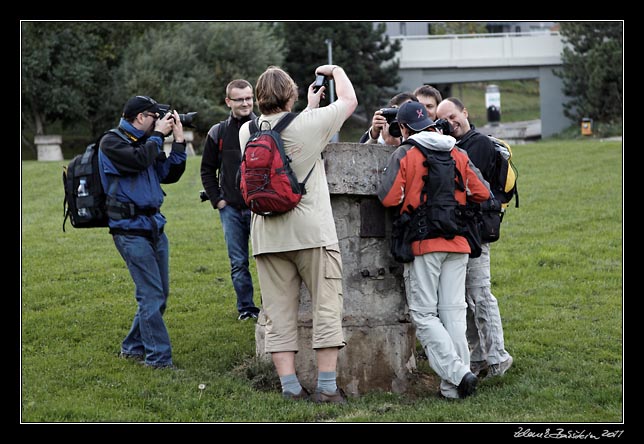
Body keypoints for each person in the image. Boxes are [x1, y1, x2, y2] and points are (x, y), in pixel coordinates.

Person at [239, 65, 357, 403]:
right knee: (325, 307)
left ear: (258, 98)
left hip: (266, 234)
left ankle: (290, 388)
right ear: (290, 95)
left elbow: (280, 134)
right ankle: (327, 387)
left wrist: (307, 110)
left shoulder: (247, 131)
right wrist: (334, 70)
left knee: (278, 313)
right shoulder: (310, 125)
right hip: (312, 234)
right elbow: (349, 100)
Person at [377, 101, 490, 399]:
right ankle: (454, 388)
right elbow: (482, 192)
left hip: (423, 244)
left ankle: (457, 373)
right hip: (460, 242)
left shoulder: (406, 152)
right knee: (453, 311)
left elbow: (388, 198)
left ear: (402, 128)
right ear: (428, 121)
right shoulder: (457, 150)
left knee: (425, 314)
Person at [98, 95, 187, 369]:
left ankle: (133, 347)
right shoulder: (111, 142)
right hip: (129, 230)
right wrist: (158, 135)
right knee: (151, 296)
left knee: (160, 295)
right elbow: (137, 161)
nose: (157, 122)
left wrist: (178, 142)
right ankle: (158, 359)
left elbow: (168, 173)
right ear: (140, 118)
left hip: (155, 227)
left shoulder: (148, 143)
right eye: (153, 117)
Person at [436, 97, 514, 379]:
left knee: (481, 294)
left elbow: (467, 185)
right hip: (461, 232)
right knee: (465, 299)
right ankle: (479, 356)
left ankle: (498, 356)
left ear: (465, 112)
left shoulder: (477, 143)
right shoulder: (454, 144)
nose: (451, 123)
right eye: (445, 119)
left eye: (454, 116)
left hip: (476, 232)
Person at [201, 79, 261, 321]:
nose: (246, 103)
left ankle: (271, 308)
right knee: (238, 263)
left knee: (269, 261)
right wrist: (218, 201)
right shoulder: (219, 132)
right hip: (231, 209)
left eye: (249, 98)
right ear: (229, 102)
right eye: (240, 99)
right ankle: (246, 309)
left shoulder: (264, 126)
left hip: (261, 208)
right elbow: (206, 170)